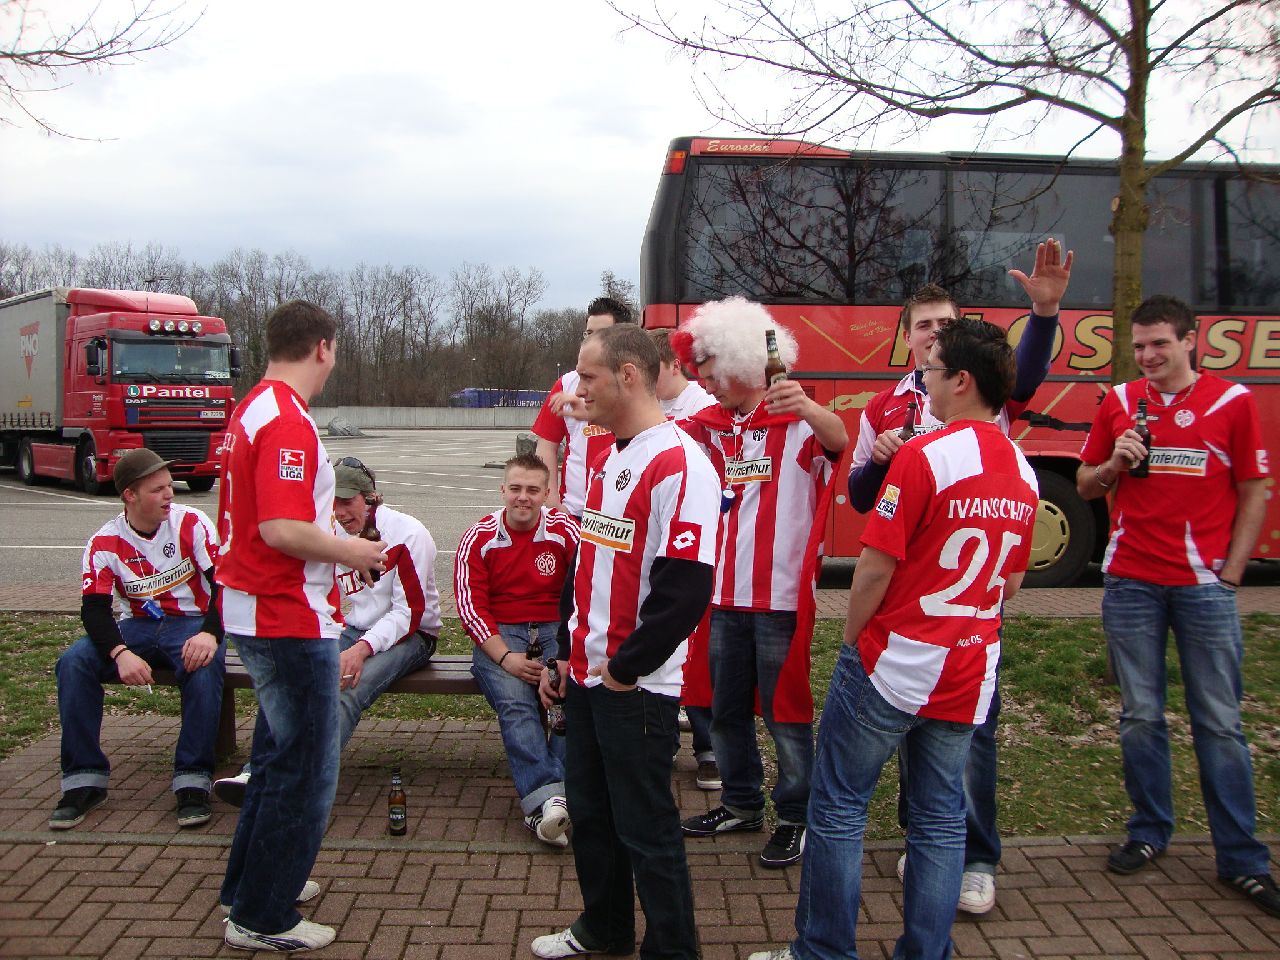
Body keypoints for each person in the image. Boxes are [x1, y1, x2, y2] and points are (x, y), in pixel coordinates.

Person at [749, 317, 1040, 960]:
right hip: (970, 665)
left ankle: (822, 950)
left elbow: (872, 570)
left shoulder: (923, 454)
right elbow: (1012, 582)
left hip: (896, 660)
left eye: (932, 371)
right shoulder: (1022, 468)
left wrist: (852, 645)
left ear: (961, 381)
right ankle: (925, 951)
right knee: (939, 819)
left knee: (840, 807)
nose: (925, 382)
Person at [845, 239, 1072, 913]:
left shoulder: (978, 388)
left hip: (967, 601)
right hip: (904, 601)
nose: (935, 336)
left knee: (969, 733)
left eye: (945, 325)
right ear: (908, 337)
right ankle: (925, 838)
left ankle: (974, 854)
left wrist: (1047, 314)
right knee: (914, 731)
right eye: (924, 327)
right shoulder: (885, 408)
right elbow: (859, 498)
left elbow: (1026, 374)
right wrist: (881, 461)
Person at [1076, 294, 1279, 918]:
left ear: (1191, 340)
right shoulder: (1119, 402)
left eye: (1160, 343)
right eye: (1139, 346)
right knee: (1140, 716)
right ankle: (1148, 831)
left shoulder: (1232, 402)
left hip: (1203, 589)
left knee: (1218, 722)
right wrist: (1117, 460)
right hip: (1131, 582)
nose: (1149, 356)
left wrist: (1232, 573)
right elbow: (1086, 482)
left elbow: (1255, 487)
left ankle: (1242, 859)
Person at [531, 324, 719, 960]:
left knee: (647, 826)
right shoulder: (613, 453)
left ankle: (672, 949)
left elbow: (685, 591)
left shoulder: (679, 462)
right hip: (587, 674)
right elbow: (590, 564)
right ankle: (603, 928)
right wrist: (566, 651)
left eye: (587, 377)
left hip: (634, 686)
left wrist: (626, 670)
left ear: (629, 376)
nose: (575, 389)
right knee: (592, 815)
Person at [216, 300, 387, 953]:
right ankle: (264, 914)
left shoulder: (251, 409)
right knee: (306, 768)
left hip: (261, 608)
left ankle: (252, 886)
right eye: (336, 348)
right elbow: (280, 529)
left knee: (275, 757)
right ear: (323, 347)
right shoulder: (286, 421)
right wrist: (355, 550)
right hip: (284, 614)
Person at [673, 297, 848, 869]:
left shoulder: (798, 422)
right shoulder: (707, 429)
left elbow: (841, 440)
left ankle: (797, 816)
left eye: (712, 372)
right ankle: (742, 804)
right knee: (724, 711)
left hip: (775, 598)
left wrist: (808, 408)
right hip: (719, 597)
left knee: (786, 714)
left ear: (739, 364)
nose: (706, 384)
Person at [212, 455, 441, 808]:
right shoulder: (331, 535)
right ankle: (255, 774)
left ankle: (301, 784)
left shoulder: (408, 533)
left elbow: (409, 614)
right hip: (354, 629)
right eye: (333, 503)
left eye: (348, 502)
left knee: (346, 688)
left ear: (371, 498)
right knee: (294, 681)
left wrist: (361, 649)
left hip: (411, 637)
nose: (341, 512)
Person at [49, 448, 225, 831]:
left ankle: (192, 779)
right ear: (130, 494)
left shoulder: (192, 523)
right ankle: (84, 779)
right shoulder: (104, 542)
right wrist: (120, 652)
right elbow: (94, 610)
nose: (170, 495)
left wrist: (211, 634)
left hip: (192, 622)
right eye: (158, 489)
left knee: (203, 664)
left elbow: (225, 586)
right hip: (137, 626)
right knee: (74, 662)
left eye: (169, 486)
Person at [455, 453, 580, 847]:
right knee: (517, 705)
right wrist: (506, 657)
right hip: (501, 636)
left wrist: (562, 654)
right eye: (515, 488)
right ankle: (554, 800)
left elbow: (586, 592)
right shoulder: (479, 537)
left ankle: (549, 806)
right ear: (502, 490)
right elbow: (470, 605)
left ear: (546, 493)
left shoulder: (565, 531)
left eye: (532, 490)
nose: (522, 497)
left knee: (566, 701)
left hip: (555, 632)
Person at [650, 327, 721, 791]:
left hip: (695, 533)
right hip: (657, 533)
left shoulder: (699, 405)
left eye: (654, 371)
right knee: (665, 638)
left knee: (694, 640)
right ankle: (666, 738)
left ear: (675, 366)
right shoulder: (652, 406)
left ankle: (708, 746)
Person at [532, 296, 634, 517]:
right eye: (588, 334)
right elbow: (546, 445)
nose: (591, 340)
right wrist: (551, 503)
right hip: (574, 512)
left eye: (600, 334)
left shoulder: (636, 381)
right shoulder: (567, 384)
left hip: (622, 513)